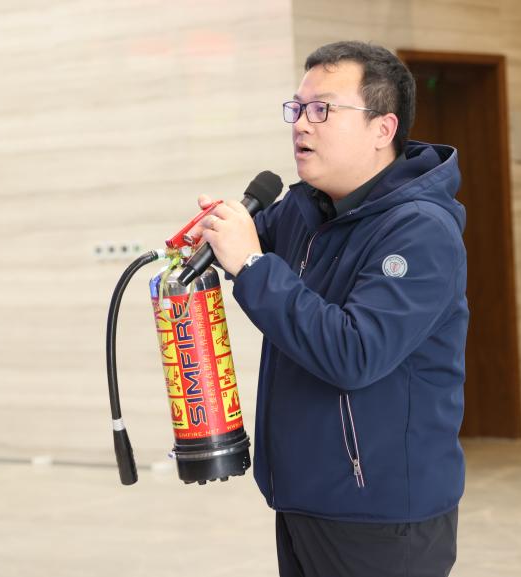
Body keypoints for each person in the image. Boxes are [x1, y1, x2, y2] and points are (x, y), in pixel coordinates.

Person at [191, 41, 468, 577]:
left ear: (382, 128)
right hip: (304, 496)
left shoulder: (420, 231)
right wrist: (215, 235)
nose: (301, 124)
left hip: (381, 515)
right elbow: (246, 251)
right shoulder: (305, 209)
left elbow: (354, 352)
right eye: (296, 108)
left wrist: (250, 263)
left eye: (322, 109)